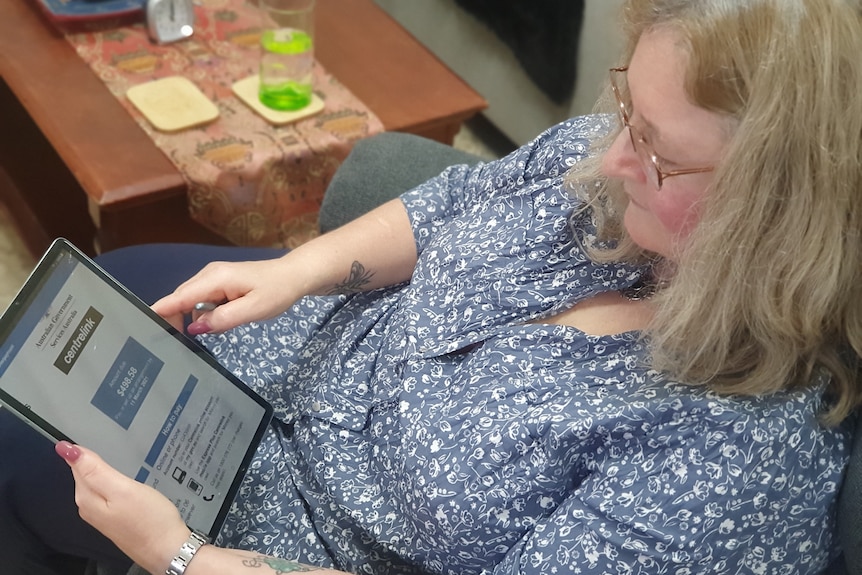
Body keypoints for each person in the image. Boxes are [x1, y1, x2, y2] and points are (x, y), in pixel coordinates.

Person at [4, 0, 862, 573]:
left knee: (17, 453)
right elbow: (452, 200)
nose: (610, 158)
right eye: (624, 111)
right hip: (297, 351)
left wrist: (185, 556)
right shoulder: (610, 159)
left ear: (777, 208)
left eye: (658, 152)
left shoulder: (734, 470)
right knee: (78, 311)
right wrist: (292, 269)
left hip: (282, 539)